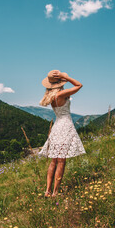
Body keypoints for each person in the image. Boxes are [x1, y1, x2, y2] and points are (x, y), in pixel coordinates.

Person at [38, 70, 86, 198]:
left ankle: (47, 191)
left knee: (54, 160)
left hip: (57, 127)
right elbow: (79, 85)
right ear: (60, 83)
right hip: (65, 126)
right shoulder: (62, 94)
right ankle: (55, 192)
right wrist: (67, 77)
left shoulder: (52, 97)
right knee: (61, 161)